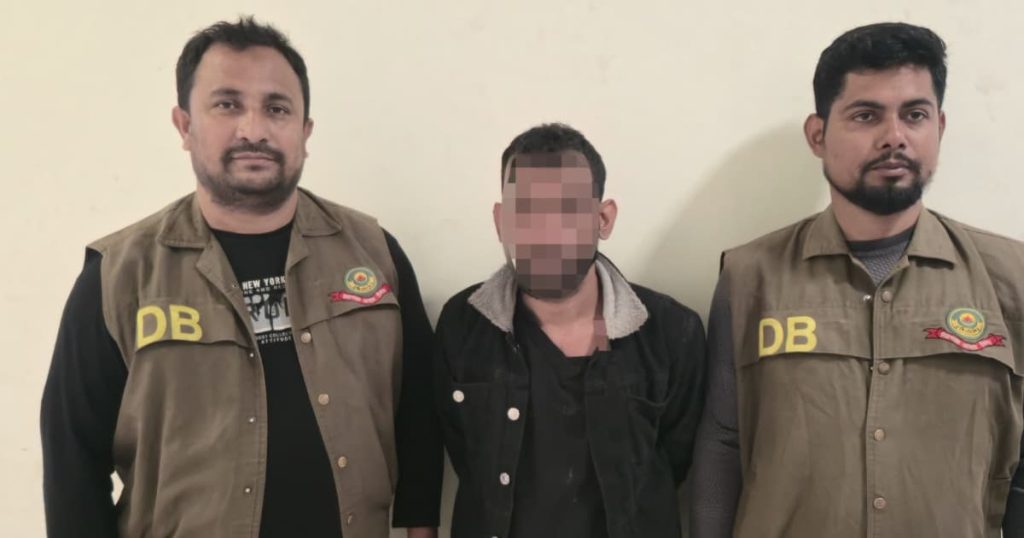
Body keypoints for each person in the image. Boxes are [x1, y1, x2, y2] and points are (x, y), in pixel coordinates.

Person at [40, 17, 441, 538]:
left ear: (305, 131)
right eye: (227, 104)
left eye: (277, 108)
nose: (254, 129)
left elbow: (418, 413)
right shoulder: (118, 275)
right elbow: (72, 457)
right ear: (185, 126)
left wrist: (420, 527)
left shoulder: (374, 254)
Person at [689, 22, 1024, 538]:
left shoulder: (1010, 278)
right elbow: (723, 442)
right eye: (866, 115)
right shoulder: (750, 276)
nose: (894, 136)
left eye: (915, 115)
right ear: (818, 135)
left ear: (939, 127)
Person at [433, 123, 707, 538]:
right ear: (501, 221)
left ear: (603, 219)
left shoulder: (671, 333)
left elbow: (675, 460)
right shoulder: (463, 325)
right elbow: (463, 453)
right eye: (525, 211)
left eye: (566, 210)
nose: (545, 234)